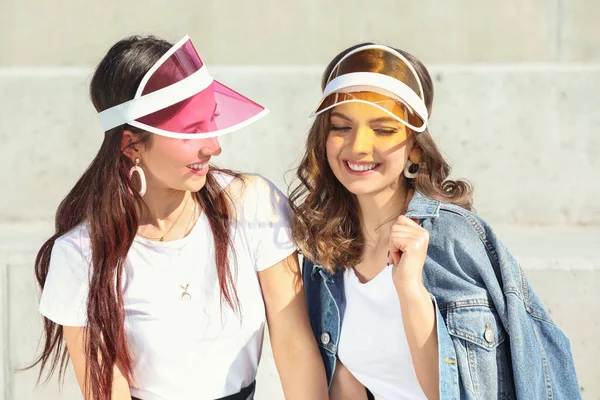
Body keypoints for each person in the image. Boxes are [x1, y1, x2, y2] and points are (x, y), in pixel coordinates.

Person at [29, 35, 327, 400]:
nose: (213, 146)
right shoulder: (81, 253)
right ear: (131, 146)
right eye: (191, 131)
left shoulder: (252, 204)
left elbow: (295, 345)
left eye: (210, 123)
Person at [290, 42, 581, 400]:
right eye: (341, 127)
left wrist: (410, 289)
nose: (359, 146)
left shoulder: (452, 238)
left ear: (415, 146)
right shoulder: (326, 254)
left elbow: (455, 391)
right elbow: (345, 383)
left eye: (383, 129)